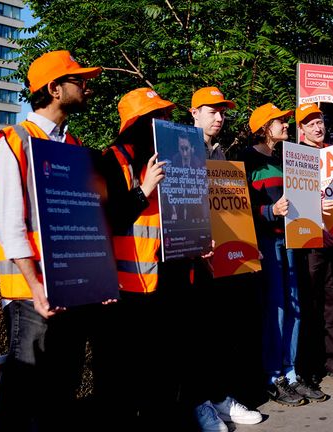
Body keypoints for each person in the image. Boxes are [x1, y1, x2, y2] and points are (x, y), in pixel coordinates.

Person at [0, 50, 101, 431]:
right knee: (24, 391)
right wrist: (35, 287)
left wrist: (95, 279)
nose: (86, 86)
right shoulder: (12, 141)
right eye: (78, 80)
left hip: (69, 287)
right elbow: (9, 224)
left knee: (61, 388)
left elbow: (83, 218)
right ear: (54, 89)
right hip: (32, 292)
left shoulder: (74, 144)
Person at [99, 88, 189, 431]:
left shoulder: (167, 160)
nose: (165, 122)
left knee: (162, 370)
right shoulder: (112, 160)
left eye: (165, 115)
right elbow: (106, 220)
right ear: (137, 124)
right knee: (122, 376)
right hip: (126, 288)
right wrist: (143, 190)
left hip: (166, 279)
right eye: (157, 117)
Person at [186, 87, 263, 430]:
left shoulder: (220, 154)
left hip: (222, 260)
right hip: (190, 260)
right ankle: (199, 402)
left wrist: (245, 241)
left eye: (222, 112)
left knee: (220, 332)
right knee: (197, 335)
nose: (219, 117)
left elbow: (230, 210)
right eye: (211, 110)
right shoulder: (183, 151)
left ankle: (220, 398)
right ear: (194, 113)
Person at [242, 103, 312, 406]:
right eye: (280, 121)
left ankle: (291, 372)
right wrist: (270, 211)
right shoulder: (247, 160)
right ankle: (274, 377)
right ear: (263, 127)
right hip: (267, 244)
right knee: (278, 309)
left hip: (292, 240)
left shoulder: (287, 158)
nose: (286, 124)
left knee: (294, 309)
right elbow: (239, 208)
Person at [294, 103, 333, 392]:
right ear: (301, 129)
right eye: (310, 123)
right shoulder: (295, 157)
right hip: (311, 243)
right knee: (310, 305)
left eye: (320, 121)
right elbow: (297, 205)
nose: (317, 127)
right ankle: (308, 364)